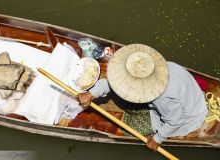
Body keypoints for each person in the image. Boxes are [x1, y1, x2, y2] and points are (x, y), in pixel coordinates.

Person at [76, 44, 208, 151]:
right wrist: (92, 93)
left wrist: (157, 139)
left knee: (128, 130)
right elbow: (116, 80)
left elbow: (175, 121)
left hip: (186, 117)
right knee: (123, 99)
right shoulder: (156, 67)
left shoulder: (162, 98)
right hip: (184, 98)